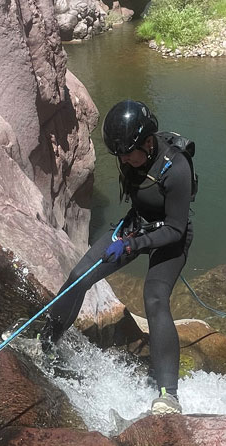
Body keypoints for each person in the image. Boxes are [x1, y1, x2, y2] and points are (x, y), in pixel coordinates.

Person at [39, 100, 193, 416]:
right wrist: (128, 233)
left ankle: (169, 397)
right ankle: (46, 342)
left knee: (154, 299)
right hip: (137, 225)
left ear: (148, 143)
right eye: (118, 155)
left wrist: (131, 246)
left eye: (127, 154)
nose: (123, 160)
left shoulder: (176, 168)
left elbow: (176, 229)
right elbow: (139, 202)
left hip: (169, 237)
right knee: (80, 276)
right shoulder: (129, 155)